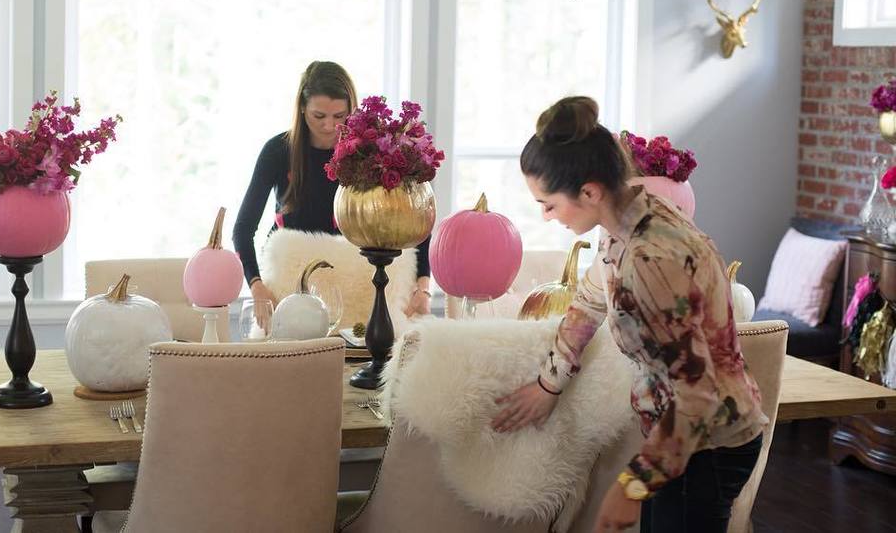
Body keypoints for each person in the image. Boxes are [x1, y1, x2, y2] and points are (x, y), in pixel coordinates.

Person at [490, 96, 766, 533]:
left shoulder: (652, 258)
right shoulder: (623, 224)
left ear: (589, 192)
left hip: (708, 443)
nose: (544, 216)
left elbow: (697, 393)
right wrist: (549, 382)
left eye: (548, 203)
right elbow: (591, 300)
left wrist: (631, 488)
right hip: (677, 440)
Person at [232, 60, 432, 318]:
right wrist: (257, 287)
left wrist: (423, 286)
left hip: (357, 284)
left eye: (339, 117)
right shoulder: (278, 151)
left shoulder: (370, 153)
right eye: (319, 116)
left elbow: (415, 217)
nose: (329, 126)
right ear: (302, 109)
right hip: (292, 285)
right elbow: (243, 229)